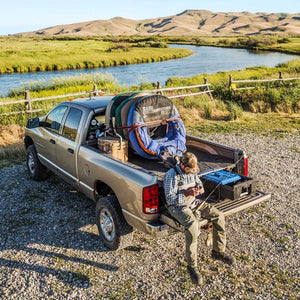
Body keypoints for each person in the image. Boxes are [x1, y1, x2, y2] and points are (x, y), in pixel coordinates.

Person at [163, 152, 234, 285]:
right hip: (178, 206)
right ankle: (192, 266)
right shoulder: (171, 175)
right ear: (183, 166)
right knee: (193, 227)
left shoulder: (193, 171)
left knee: (218, 216)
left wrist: (199, 189)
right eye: (189, 171)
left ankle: (218, 251)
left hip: (193, 202)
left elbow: (198, 181)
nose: (192, 173)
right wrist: (186, 193)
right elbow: (170, 199)